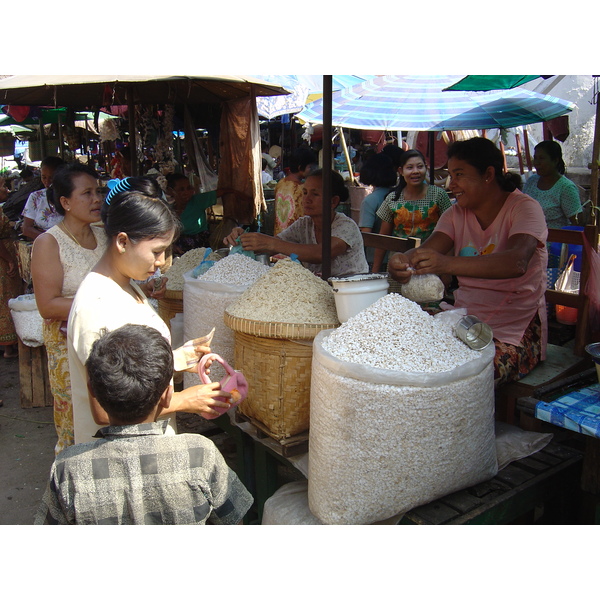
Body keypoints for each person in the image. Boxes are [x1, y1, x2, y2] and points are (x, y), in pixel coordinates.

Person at [67, 176, 232, 446]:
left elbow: (125, 368)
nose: (162, 262)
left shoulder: (125, 284)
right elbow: (104, 410)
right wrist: (185, 400)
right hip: (119, 455)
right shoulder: (96, 306)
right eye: (156, 251)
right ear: (122, 242)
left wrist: (175, 359)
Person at [34, 323, 253, 525]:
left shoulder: (67, 469)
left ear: (92, 391)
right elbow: (233, 521)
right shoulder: (200, 454)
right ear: (168, 395)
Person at [388, 137, 548, 387]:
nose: (453, 184)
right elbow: (429, 250)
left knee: (464, 376)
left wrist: (446, 264)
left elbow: (517, 262)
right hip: (463, 318)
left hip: (515, 327)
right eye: (451, 175)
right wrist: (401, 263)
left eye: (460, 175)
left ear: (488, 174)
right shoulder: (455, 213)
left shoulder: (524, 208)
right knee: (399, 340)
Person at [31, 162, 108, 453]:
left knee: (110, 411)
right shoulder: (49, 243)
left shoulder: (103, 236)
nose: (97, 199)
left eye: (98, 191)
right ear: (65, 202)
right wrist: (104, 302)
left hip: (106, 338)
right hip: (68, 343)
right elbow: (48, 305)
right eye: (87, 193)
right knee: (77, 414)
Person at [224, 169, 369, 278]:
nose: (306, 199)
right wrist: (245, 239)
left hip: (351, 294)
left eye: (315, 194)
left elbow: (321, 253)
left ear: (333, 201)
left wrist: (271, 243)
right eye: (305, 192)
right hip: (320, 292)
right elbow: (272, 246)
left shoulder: (345, 226)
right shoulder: (304, 224)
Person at [373, 149, 452, 274]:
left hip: (430, 262)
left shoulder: (439, 195)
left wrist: (447, 271)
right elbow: (383, 238)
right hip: (399, 264)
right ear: (401, 171)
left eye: (419, 167)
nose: (415, 171)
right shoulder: (392, 199)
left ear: (425, 168)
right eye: (410, 167)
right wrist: (375, 271)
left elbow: (450, 233)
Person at [523, 140, 582, 229]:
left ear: (555, 160)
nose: (537, 162)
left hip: (554, 241)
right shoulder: (531, 181)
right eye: (535, 158)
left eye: (541, 158)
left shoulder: (566, 188)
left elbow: (577, 224)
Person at [358, 153, 398, 269]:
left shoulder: (370, 201)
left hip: (374, 261)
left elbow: (367, 235)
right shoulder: (397, 195)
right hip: (394, 257)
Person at [0, 179, 23, 363]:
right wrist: (9, 261)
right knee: (6, 298)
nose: (6, 190)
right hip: (2, 261)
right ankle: (8, 348)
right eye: (3, 186)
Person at [165, 172, 217, 254]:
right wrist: (172, 246)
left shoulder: (198, 201)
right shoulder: (168, 210)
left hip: (200, 248)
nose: (186, 192)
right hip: (180, 251)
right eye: (181, 189)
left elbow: (222, 192)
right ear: (170, 191)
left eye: (189, 188)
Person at [273, 147, 317, 235]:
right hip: (295, 237)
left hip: (279, 235)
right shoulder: (302, 188)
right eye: (309, 167)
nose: (312, 170)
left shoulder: (280, 183)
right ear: (300, 168)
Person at [21, 156, 66, 240]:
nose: (47, 182)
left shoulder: (70, 197)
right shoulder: (36, 197)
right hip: (45, 244)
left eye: (51, 178)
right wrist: (50, 239)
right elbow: (26, 228)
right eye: (44, 177)